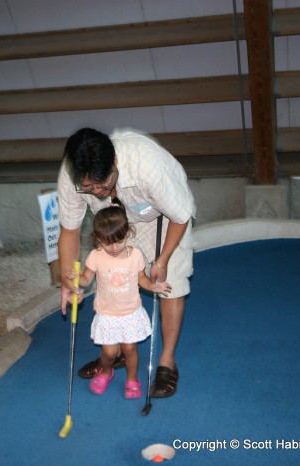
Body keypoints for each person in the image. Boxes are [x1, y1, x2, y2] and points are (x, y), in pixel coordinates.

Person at [57, 127, 196, 398]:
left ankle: (166, 362)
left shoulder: (146, 164)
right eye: (88, 187)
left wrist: (163, 259)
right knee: (112, 276)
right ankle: (115, 351)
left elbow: (180, 216)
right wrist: (67, 277)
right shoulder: (71, 174)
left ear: (115, 163)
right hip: (118, 220)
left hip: (165, 214)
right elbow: (70, 231)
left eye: (102, 184)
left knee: (170, 284)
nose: (96, 192)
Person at [66, 199, 172, 397]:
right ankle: (107, 370)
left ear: (128, 233)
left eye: (119, 241)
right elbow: (86, 279)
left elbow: (142, 279)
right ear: (98, 239)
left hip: (130, 312)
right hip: (107, 314)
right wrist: (76, 280)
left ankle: (132, 379)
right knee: (109, 353)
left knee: (130, 349)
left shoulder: (135, 255)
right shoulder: (96, 256)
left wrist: (153, 286)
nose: (114, 247)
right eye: (107, 243)